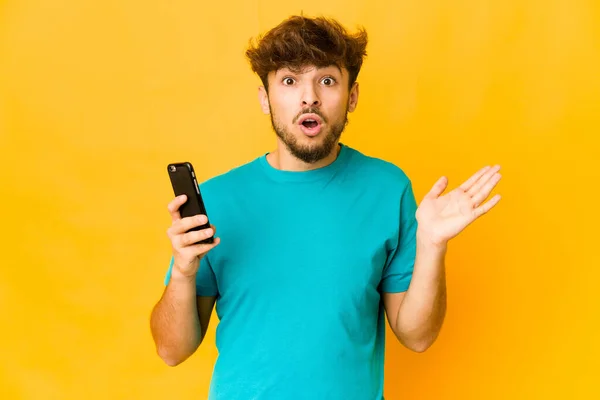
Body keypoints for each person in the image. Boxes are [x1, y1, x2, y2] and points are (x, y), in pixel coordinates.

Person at [149, 14, 502, 400]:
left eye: (327, 80)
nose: (309, 97)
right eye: (289, 81)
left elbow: (417, 337)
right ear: (265, 99)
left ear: (351, 96)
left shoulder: (387, 188)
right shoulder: (216, 200)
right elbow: (171, 350)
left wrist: (432, 246)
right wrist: (183, 271)